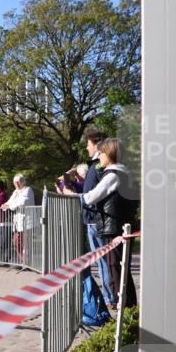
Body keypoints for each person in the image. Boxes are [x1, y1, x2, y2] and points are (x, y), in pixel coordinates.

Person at [81, 138, 138, 308]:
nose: (99, 157)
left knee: (116, 269)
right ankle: (129, 308)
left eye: (102, 153)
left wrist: (73, 197)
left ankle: (124, 309)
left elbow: (91, 197)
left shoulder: (113, 175)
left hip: (114, 228)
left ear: (110, 154)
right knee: (121, 269)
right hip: (121, 226)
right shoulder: (125, 173)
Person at [63, 130, 115, 307]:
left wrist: (72, 195)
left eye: (88, 144)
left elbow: (92, 195)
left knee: (102, 262)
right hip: (93, 219)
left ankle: (110, 298)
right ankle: (110, 296)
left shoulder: (97, 167)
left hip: (95, 220)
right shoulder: (96, 166)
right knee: (102, 262)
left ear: (98, 146)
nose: (86, 147)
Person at [1, 173, 35, 263]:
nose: (16, 184)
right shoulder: (15, 191)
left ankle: (27, 263)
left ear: (23, 182)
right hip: (17, 221)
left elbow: (23, 202)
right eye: (14, 182)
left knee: (26, 244)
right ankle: (22, 260)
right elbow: (10, 201)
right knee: (16, 241)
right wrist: (5, 205)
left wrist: (10, 206)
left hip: (27, 221)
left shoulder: (28, 190)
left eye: (18, 182)